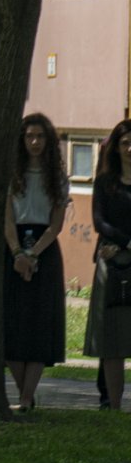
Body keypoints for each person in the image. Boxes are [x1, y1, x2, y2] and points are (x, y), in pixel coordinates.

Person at [3, 114, 69, 411]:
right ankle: (24, 394)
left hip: (45, 249)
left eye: (40, 137)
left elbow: (56, 225)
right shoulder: (11, 173)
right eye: (29, 136)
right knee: (12, 323)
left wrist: (32, 255)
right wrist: (17, 253)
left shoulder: (56, 178)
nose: (34, 142)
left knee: (40, 324)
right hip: (12, 246)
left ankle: (28, 397)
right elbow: (6, 218)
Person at [84, 119, 131, 409]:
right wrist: (125, 243)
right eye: (125, 143)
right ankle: (112, 403)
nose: (130, 148)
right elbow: (99, 220)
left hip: (122, 251)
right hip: (112, 262)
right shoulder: (105, 181)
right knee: (113, 338)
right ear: (116, 147)